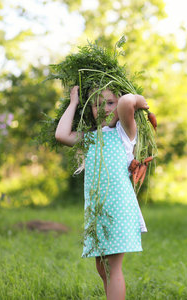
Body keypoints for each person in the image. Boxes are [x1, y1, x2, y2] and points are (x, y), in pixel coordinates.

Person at [55, 85, 148, 300]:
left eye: (109, 103)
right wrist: (73, 103)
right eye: (97, 105)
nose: (104, 109)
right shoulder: (90, 137)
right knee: (103, 267)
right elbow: (61, 135)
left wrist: (139, 101)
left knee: (112, 269)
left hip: (118, 209)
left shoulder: (124, 133)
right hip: (99, 211)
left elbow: (127, 102)